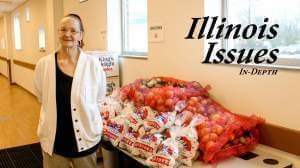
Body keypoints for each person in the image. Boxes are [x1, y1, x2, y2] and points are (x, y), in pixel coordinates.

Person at [33, 13, 106, 168]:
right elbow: (41, 96)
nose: (67, 34)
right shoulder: (43, 65)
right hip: (54, 143)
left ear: (81, 35)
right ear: (58, 33)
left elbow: (99, 99)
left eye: (73, 31)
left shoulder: (93, 65)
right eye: (63, 29)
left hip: (86, 140)